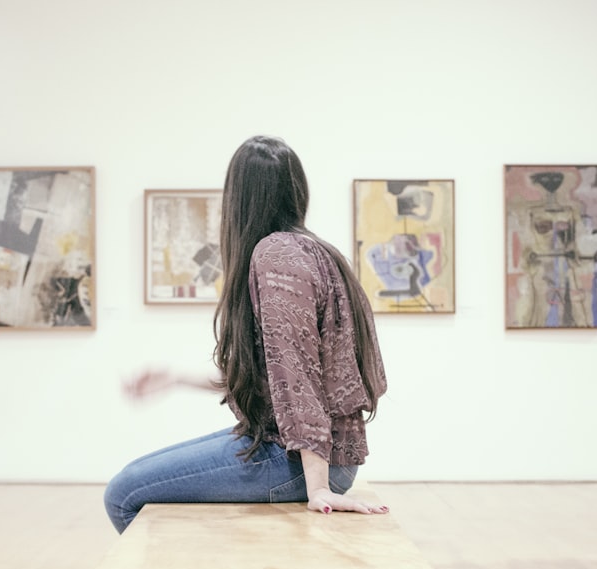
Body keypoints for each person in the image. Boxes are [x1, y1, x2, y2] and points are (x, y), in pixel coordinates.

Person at [104, 136, 389, 534]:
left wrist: (319, 487)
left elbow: (296, 374)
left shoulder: (276, 255)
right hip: (303, 452)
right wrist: (176, 378)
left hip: (298, 461)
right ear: (296, 189)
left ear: (238, 198)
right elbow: (275, 377)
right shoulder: (314, 250)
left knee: (123, 493)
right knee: (133, 478)